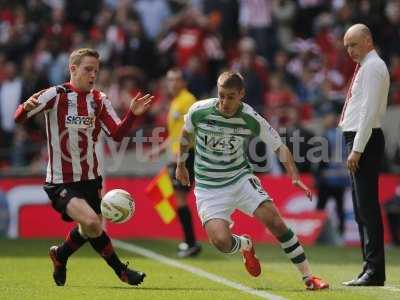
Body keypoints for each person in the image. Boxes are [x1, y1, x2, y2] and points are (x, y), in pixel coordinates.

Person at [175, 71, 329, 290]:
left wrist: (294, 176)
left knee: (276, 222)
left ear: (241, 95)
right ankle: (245, 244)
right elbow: (185, 135)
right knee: (221, 242)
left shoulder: (250, 117)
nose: (225, 102)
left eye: (230, 96)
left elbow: (279, 146)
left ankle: (309, 278)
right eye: (221, 95)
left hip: (240, 179)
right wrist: (181, 164)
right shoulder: (199, 111)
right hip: (209, 189)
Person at [14, 48, 153, 286]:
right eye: (88, 69)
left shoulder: (100, 100)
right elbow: (19, 119)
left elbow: (117, 134)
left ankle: (60, 255)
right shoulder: (54, 95)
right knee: (92, 222)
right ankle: (121, 271)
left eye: (96, 71)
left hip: (91, 179)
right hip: (61, 180)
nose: (93, 75)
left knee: (88, 229)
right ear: (73, 69)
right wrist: (25, 107)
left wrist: (132, 114)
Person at [339, 24, 389, 286]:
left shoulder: (372, 67)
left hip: (364, 138)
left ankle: (375, 271)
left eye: (354, 44)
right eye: (347, 46)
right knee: (361, 208)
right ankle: (368, 267)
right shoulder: (367, 66)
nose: (350, 50)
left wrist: (357, 148)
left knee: (367, 208)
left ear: (368, 41)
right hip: (360, 137)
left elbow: (368, 112)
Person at [146, 68, 201, 257]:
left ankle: (191, 242)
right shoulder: (176, 102)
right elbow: (176, 134)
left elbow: (191, 130)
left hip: (184, 156)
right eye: (170, 80)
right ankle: (189, 241)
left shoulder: (188, 100)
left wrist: (182, 156)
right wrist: (159, 149)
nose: (172, 83)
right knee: (179, 199)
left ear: (184, 82)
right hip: (177, 155)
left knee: (180, 198)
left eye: (176, 79)